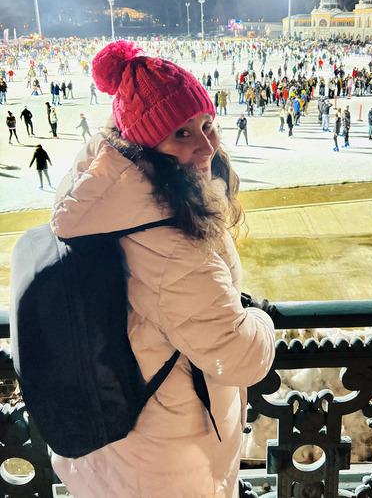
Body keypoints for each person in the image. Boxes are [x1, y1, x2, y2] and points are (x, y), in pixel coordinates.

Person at [49, 40, 275, 498]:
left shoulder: (108, 193)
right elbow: (237, 355)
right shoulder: (171, 244)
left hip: (122, 437)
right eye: (181, 134)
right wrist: (261, 318)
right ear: (145, 143)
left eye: (207, 125)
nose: (205, 145)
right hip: (170, 453)